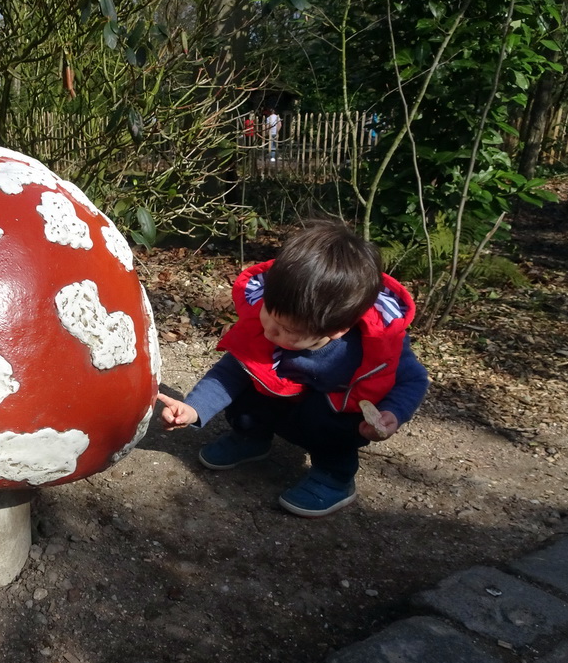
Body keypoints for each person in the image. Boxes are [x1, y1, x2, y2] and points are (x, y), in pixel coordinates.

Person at [156, 220, 429, 518]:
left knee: (330, 419)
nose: (272, 332)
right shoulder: (272, 312)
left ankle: (335, 476)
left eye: (289, 331)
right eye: (269, 315)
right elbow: (230, 371)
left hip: (328, 410)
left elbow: (412, 380)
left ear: (336, 330)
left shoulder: (374, 344)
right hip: (279, 394)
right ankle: (251, 437)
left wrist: (392, 413)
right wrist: (194, 409)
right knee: (249, 377)